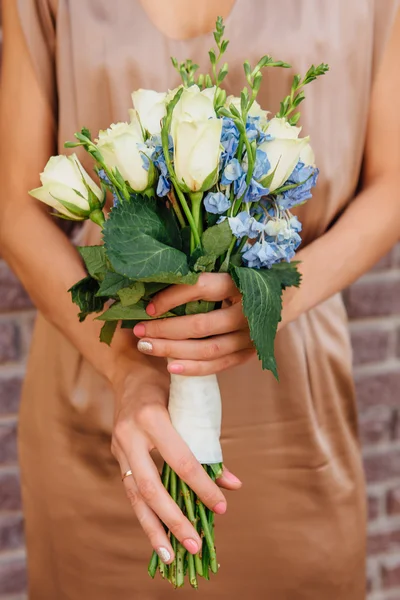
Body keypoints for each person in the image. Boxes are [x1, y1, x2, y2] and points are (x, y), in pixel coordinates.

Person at [1, 0, 400, 598]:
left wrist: (275, 296)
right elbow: (14, 204)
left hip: (291, 406)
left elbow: (392, 180)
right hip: (100, 389)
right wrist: (126, 371)